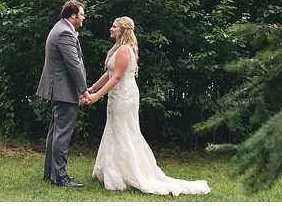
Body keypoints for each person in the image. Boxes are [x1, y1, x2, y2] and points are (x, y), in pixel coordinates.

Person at [85, 16, 211, 196]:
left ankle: (127, 173)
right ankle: (112, 170)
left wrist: (96, 96)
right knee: (115, 129)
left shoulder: (123, 50)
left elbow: (117, 77)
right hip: (118, 95)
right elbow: (109, 74)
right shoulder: (122, 49)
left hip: (124, 96)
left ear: (123, 30)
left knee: (124, 131)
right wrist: (92, 88)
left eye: (114, 26)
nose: (110, 29)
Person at [36, 0, 90, 187]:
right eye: (82, 14)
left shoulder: (59, 28)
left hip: (59, 89)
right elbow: (74, 64)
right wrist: (83, 90)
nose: (84, 18)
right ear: (73, 15)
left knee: (55, 132)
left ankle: (51, 172)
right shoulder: (65, 33)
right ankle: (60, 176)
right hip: (64, 90)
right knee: (62, 134)